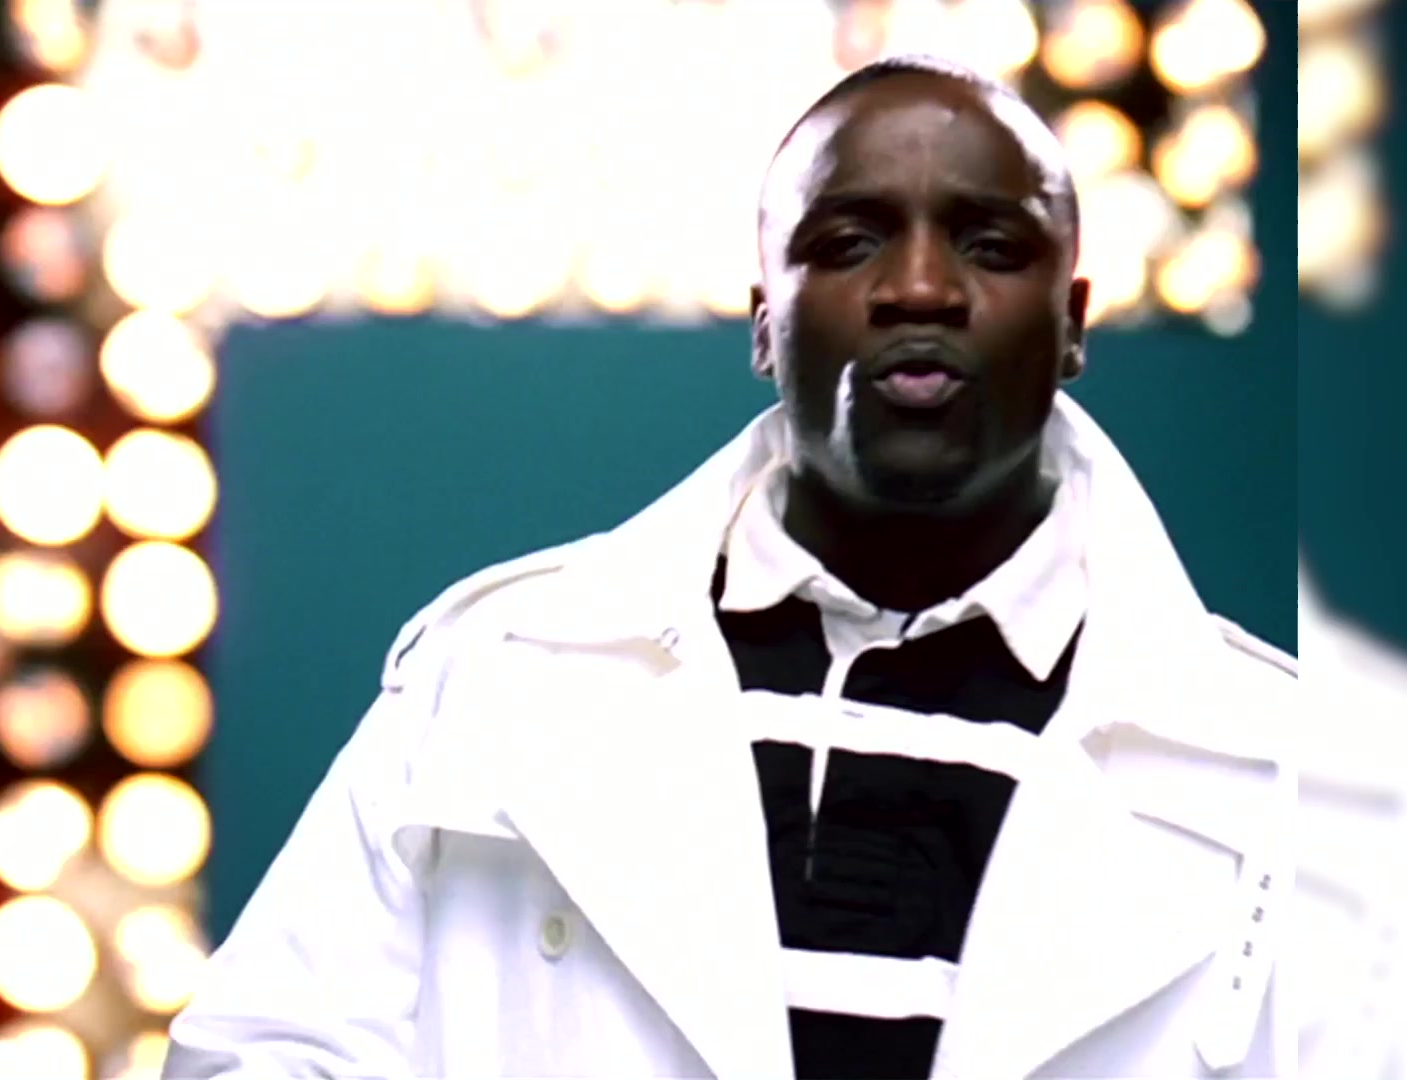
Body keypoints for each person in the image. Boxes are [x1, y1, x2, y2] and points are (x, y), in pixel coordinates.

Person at [163, 56, 1393, 1079]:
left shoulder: (1292, 772)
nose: (920, 288)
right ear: (765, 319)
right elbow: (261, 1055)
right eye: (850, 242)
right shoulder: (492, 681)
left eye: (988, 244)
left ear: (1073, 321)